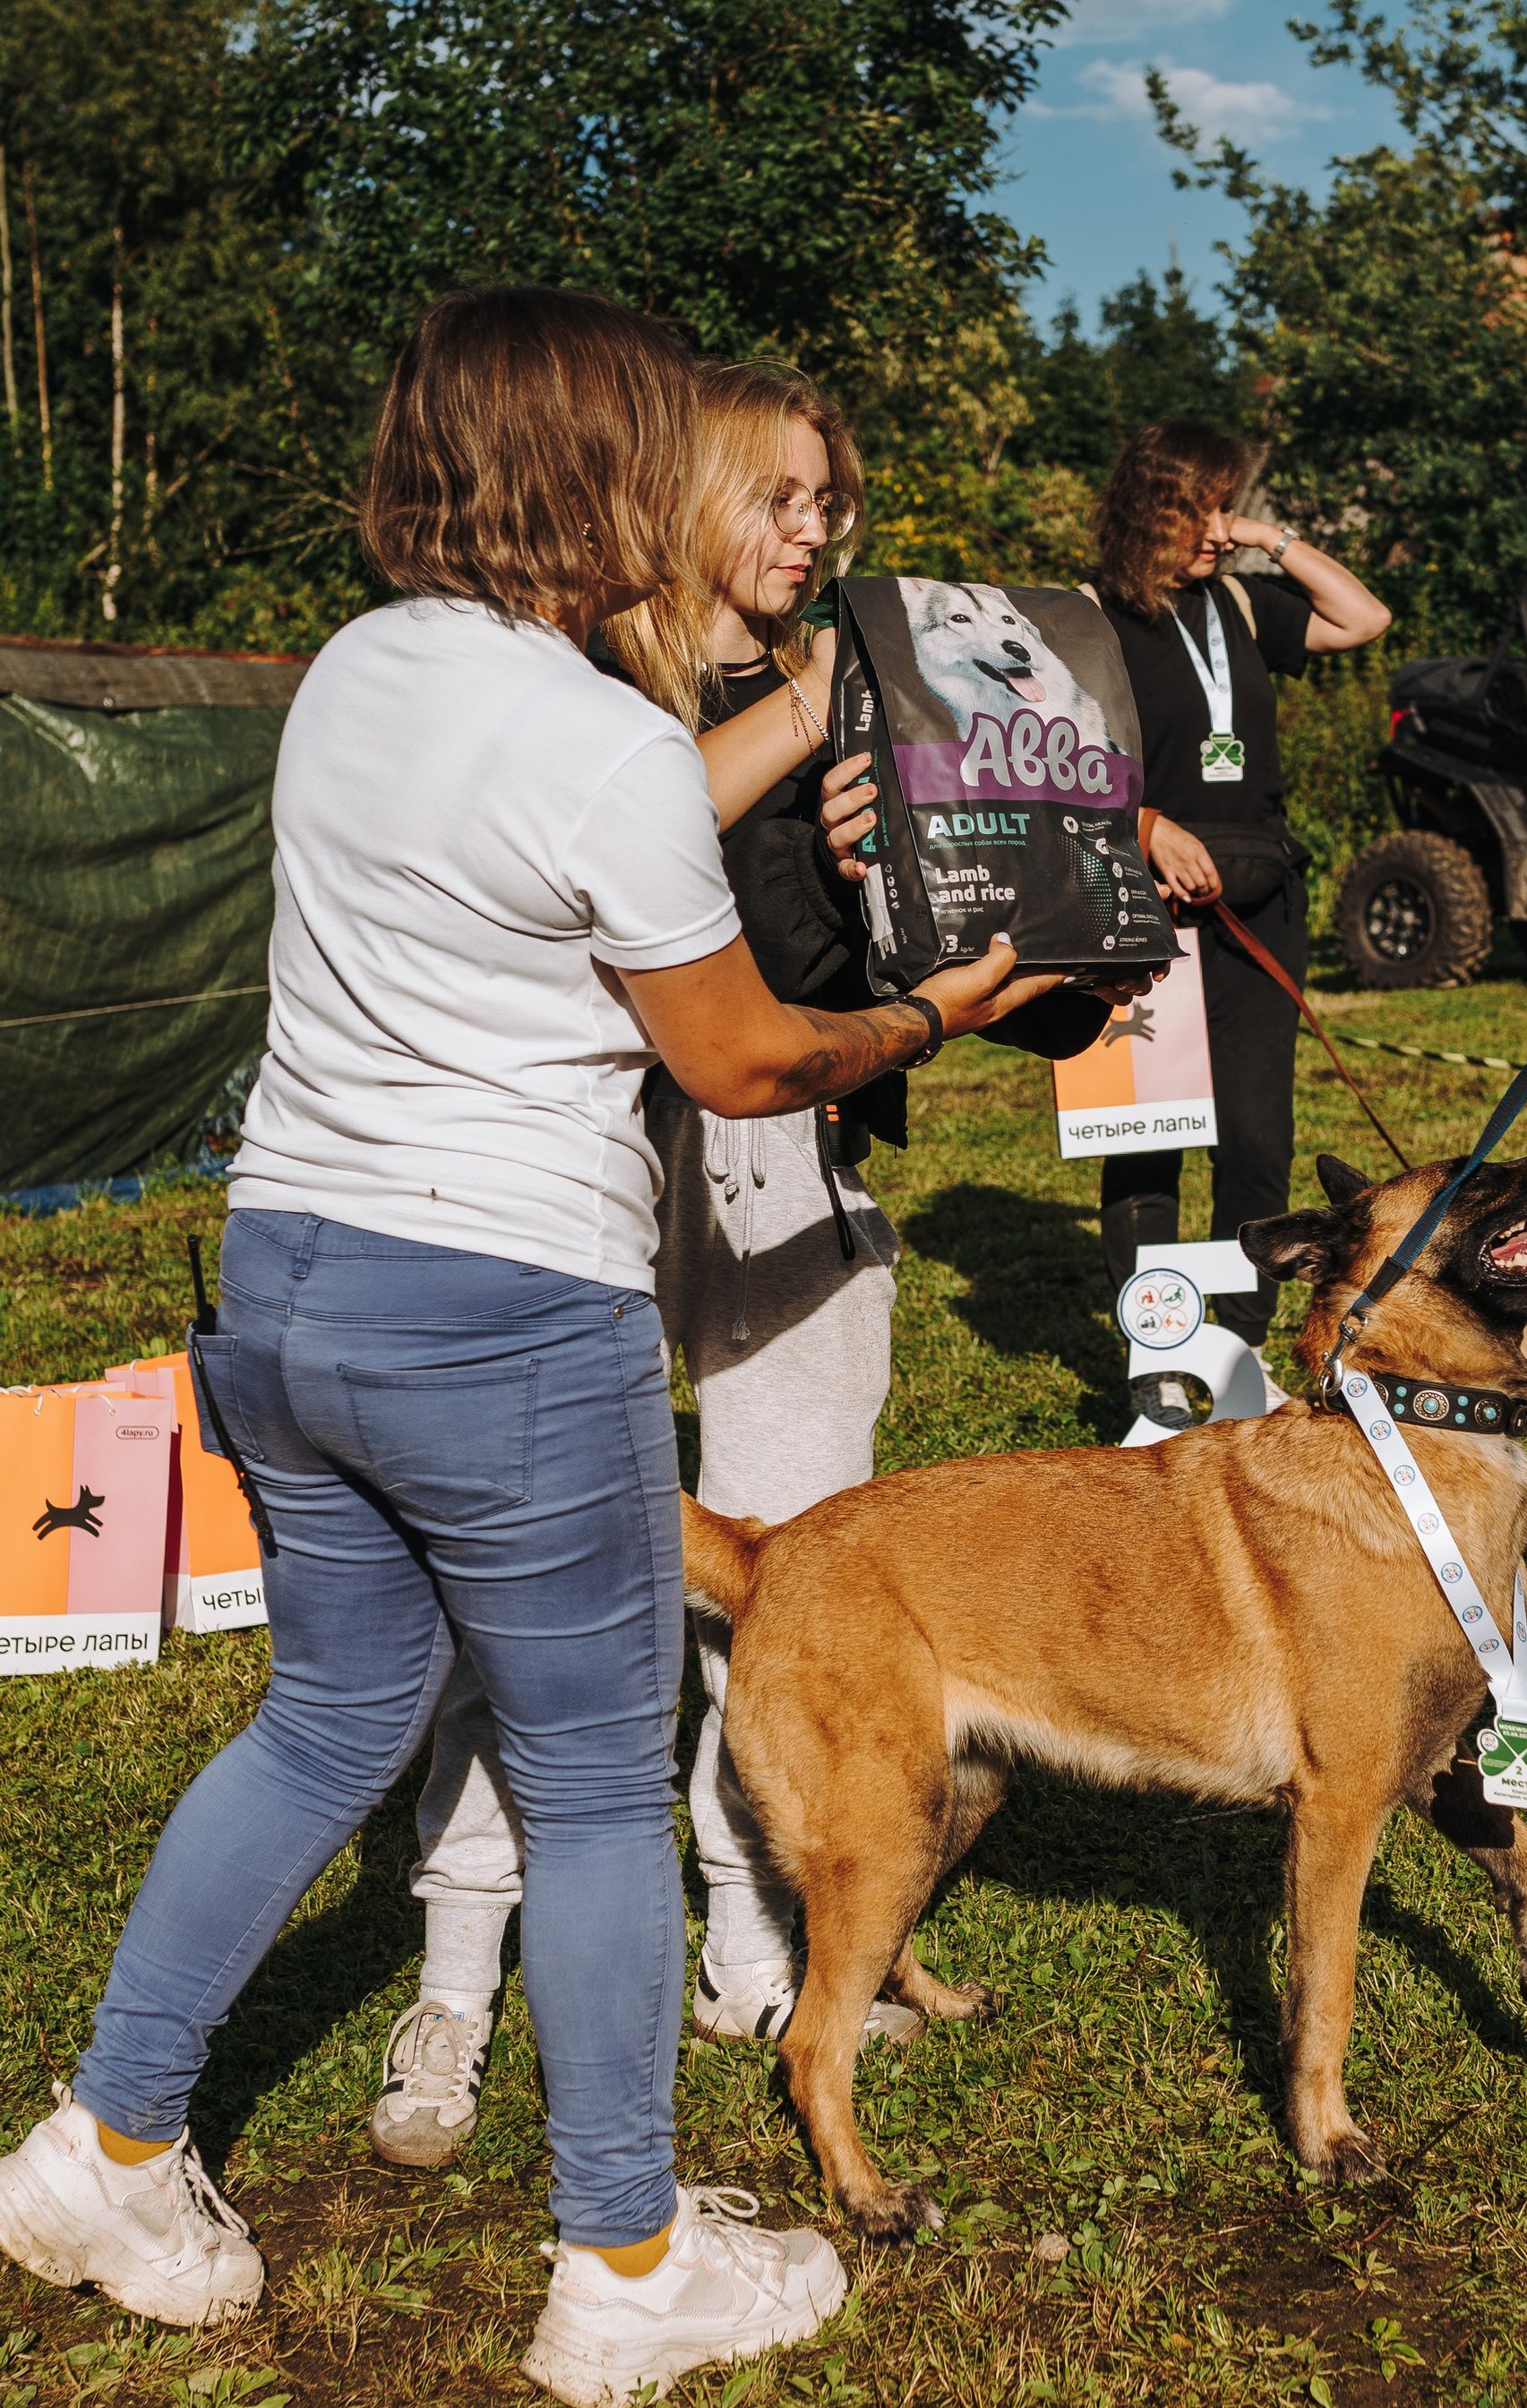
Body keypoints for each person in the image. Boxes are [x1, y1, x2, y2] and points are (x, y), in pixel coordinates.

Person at [0, 290, 1068, 2402]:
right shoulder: (594, 745)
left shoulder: (355, 677)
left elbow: (592, 815)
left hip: (294, 1274)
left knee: (327, 1721)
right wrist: (939, 1009)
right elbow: (748, 1061)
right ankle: (626, 2263)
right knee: (592, 1782)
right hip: (501, 1303)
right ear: (590, 471)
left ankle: (104, 2148)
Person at [372, 363, 1108, 2169]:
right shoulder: (568, 683)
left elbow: (843, 976)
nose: (811, 532)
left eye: (825, 505)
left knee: (793, 1584)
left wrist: (951, 895)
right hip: (578, 1177)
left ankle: (755, 1945)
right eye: (778, 497)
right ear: (670, 486)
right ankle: (457, 1973)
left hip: (793, 1162)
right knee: (521, 1585)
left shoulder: (863, 687)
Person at [1090, 418, 1389, 1404]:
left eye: (1226, 505)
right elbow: (1054, 771)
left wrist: (1272, 539)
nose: (1218, 527)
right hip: (1141, 910)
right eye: (1203, 508)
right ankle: (1157, 1348)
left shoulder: (1242, 603)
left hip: (1258, 908)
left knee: (1255, 1134)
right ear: (1153, 508)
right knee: (1148, 1139)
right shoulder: (1090, 617)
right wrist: (1144, 825)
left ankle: (1243, 1339)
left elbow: (1364, 617)